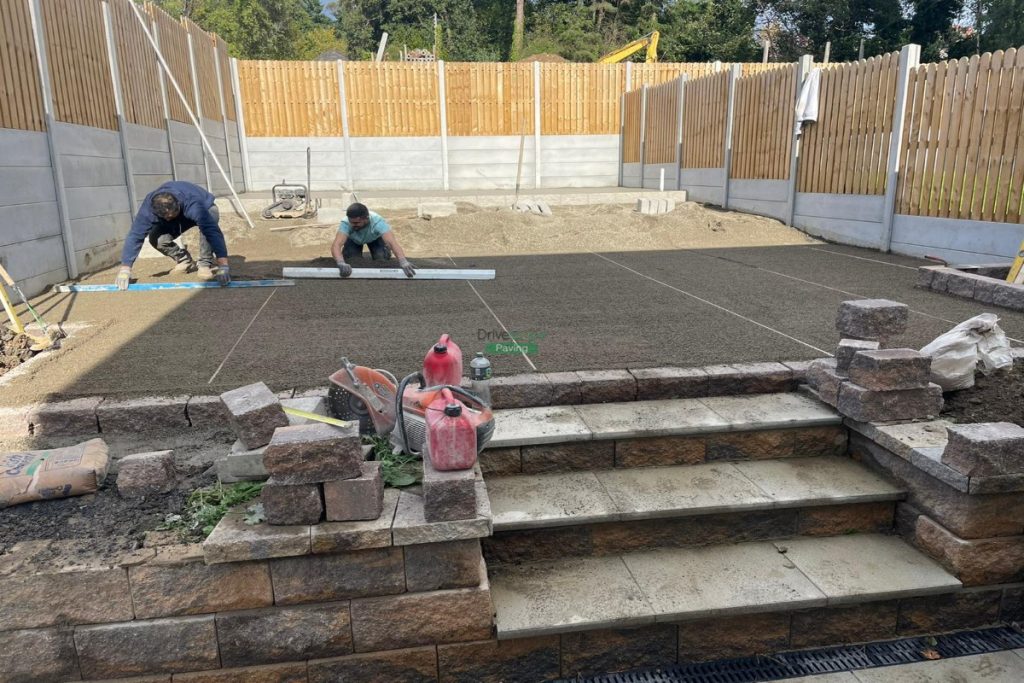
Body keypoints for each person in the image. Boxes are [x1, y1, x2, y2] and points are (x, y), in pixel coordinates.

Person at [116, 181, 231, 290]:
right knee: (156, 237)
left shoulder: (192, 203)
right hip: (176, 215)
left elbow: (212, 231)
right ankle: (184, 260)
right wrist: (125, 269)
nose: (170, 217)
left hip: (205, 207)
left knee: (211, 217)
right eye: (167, 217)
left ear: (177, 205)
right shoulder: (148, 209)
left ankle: (205, 263)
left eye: (172, 215)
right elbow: (135, 236)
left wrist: (223, 265)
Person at [331, 203, 416, 278]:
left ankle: (384, 251)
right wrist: (340, 262)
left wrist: (403, 261)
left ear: (366, 219)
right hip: (354, 240)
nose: (352, 225)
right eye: (351, 222)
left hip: (374, 239)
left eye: (356, 223)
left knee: (381, 258)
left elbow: (392, 242)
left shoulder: (378, 222)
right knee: (353, 260)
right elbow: (336, 244)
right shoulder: (346, 223)